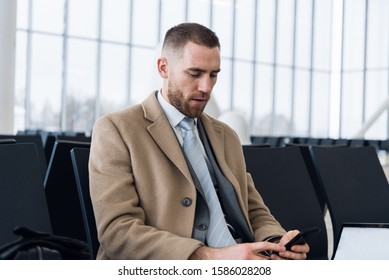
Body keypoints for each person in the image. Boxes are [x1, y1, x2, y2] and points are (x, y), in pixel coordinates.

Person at [89, 22, 309, 260]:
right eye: (194, 74)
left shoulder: (226, 136)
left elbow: (254, 210)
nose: (206, 87)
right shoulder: (116, 129)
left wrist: (275, 243)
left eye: (213, 75)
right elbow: (117, 231)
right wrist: (211, 257)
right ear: (163, 68)